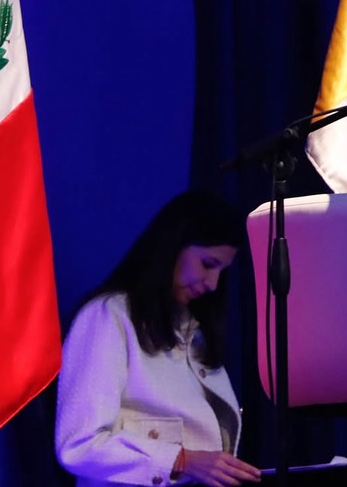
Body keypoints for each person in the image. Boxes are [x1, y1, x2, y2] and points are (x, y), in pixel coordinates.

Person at [55, 190, 262, 487]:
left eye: (222, 272)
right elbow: (79, 444)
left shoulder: (196, 334)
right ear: (173, 246)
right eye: (207, 264)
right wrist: (181, 459)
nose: (213, 284)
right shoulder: (108, 317)